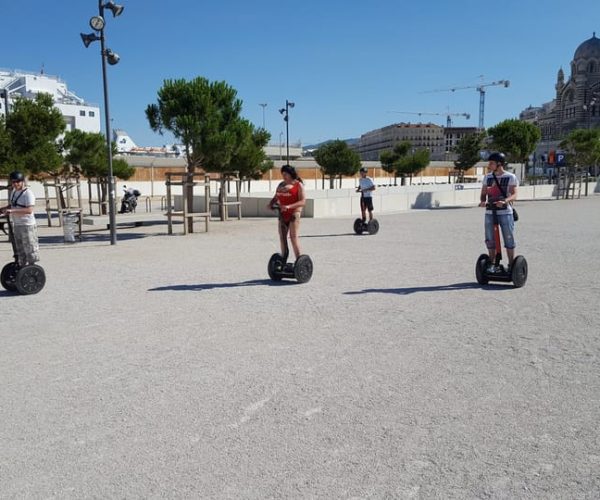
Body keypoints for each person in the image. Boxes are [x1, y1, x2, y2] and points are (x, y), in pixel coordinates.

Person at [478, 152, 518, 272]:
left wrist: (505, 201)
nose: (489, 165)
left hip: (505, 212)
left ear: (499, 164)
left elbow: (515, 194)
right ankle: (492, 263)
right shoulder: (488, 177)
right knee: (490, 238)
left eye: (491, 163)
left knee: (508, 238)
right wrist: (482, 201)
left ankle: (511, 265)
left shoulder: (510, 177)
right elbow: (484, 192)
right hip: (490, 212)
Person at [0, 171, 40, 266]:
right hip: (17, 224)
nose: (15, 184)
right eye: (13, 182)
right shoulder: (14, 192)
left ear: (22, 182)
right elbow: (13, 205)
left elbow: (29, 210)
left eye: (18, 182)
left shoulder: (28, 193)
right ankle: (22, 267)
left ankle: (32, 268)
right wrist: (4, 209)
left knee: (30, 248)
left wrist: (12, 211)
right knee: (20, 249)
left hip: (27, 225)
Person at [269, 165, 306, 261]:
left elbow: (303, 201)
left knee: (293, 237)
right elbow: (276, 197)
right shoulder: (281, 185)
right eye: (283, 174)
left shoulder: (298, 185)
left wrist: (289, 206)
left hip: (294, 213)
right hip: (282, 214)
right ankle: (283, 258)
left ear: (291, 174)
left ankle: (299, 260)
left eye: (286, 174)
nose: (284, 176)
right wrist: (271, 204)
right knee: (282, 237)